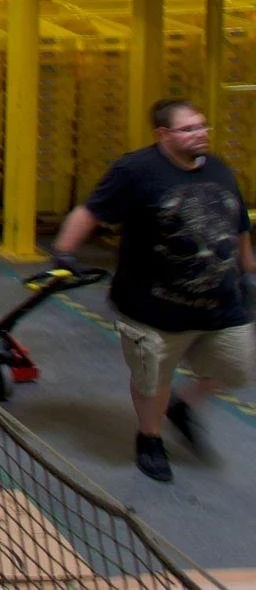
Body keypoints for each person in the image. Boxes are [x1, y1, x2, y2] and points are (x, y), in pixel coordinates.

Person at [51, 98, 253, 483]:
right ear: (163, 134)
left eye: (202, 126)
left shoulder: (218, 168)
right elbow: (91, 211)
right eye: (189, 129)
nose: (201, 134)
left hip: (221, 304)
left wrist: (248, 267)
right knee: (152, 379)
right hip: (154, 309)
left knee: (236, 367)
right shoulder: (136, 171)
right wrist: (64, 252)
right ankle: (150, 438)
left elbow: (239, 222)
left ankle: (183, 405)